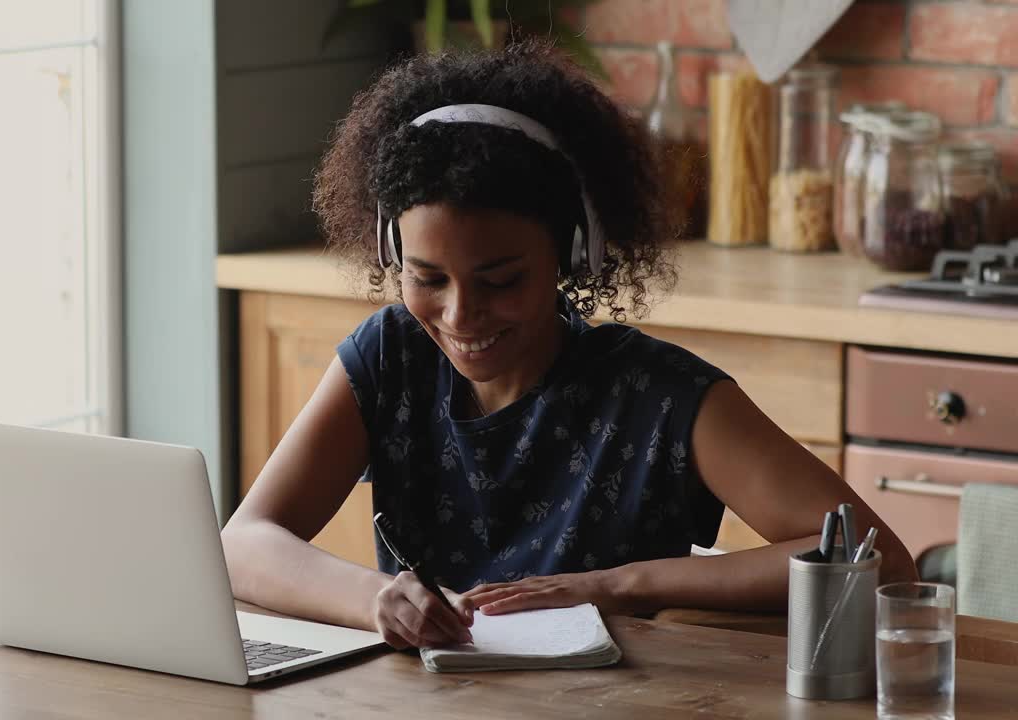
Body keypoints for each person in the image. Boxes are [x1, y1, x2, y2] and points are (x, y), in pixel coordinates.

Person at [221, 41, 916, 650]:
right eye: (427, 277)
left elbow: (876, 557)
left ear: (573, 253)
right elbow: (243, 543)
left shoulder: (658, 393)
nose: (461, 315)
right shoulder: (391, 357)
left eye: (501, 279)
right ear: (389, 252)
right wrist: (377, 599)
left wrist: (618, 586)